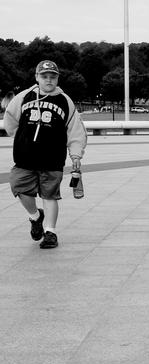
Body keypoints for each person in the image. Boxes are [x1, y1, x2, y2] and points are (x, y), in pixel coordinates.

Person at [3, 60, 87, 249]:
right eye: (44, 76)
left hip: (52, 158)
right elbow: (10, 117)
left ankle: (50, 232)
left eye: (53, 77)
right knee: (19, 187)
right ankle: (35, 217)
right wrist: (19, 137)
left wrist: (75, 156)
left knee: (49, 195)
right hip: (25, 157)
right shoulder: (25, 96)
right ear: (37, 77)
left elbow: (76, 131)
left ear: (57, 78)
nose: (49, 80)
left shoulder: (65, 101)